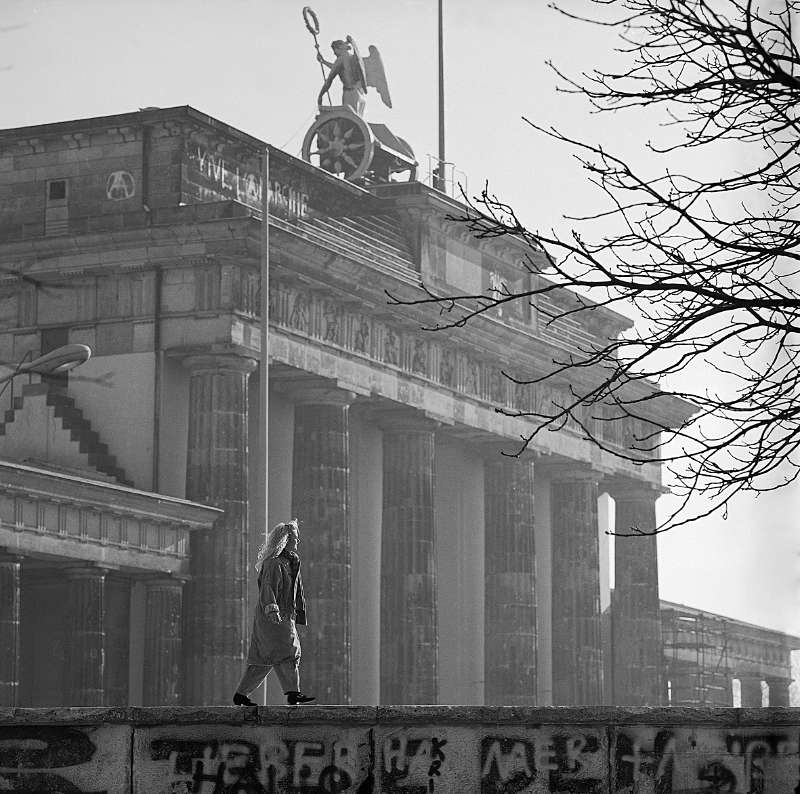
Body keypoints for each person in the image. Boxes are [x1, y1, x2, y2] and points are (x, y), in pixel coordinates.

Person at [232, 519, 316, 707]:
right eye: (295, 538)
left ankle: (241, 695)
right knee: (290, 652)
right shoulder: (274, 564)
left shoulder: (288, 563)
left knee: (263, 660)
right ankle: (293, 693)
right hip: (275, 618)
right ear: (285, 541)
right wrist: (272, 609)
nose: (297, 542)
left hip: (281, 616)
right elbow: (267, 589)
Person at [317, 38, 367, 116]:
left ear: (339, 48)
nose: (334, 54)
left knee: (348, 120)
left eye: (334, 51)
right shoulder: (353, 58)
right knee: (357, 121)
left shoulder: (341, 59)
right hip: (360, 95)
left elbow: (329, 80)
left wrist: (321, 95)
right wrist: (323, 61)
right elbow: (340, 69)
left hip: (350, 95)